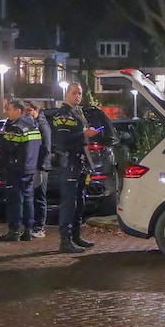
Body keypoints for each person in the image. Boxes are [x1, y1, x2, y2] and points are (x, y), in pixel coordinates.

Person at [51, 82, 102, 253]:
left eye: (80, 93)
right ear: (67, 94)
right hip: (69, 162)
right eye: (74, 93)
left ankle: (75, 236)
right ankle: (65, 240)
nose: (77, 96)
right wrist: (83, 134)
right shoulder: (63, 114)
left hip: (80, 161)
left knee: (79, 200)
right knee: (69, 202)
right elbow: (63, 140)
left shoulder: (77, 113)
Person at [0, 100, 41, 242]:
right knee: (28, 199)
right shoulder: (33, 125)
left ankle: (13, 230)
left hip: (15, 169)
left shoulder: (15, 128)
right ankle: (28, 229)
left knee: (15, 200)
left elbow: (9, 148)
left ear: (18, 111)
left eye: (9, 109)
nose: (7, 112)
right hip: (29, 167)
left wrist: (1, 137)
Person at [25, 101, 51, 238]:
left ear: (35, 110)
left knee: (39, 196)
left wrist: (41, 167)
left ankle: (40, 226)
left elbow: (46, 147)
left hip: (39, 167)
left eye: (28, 110)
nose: (26, 113)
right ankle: (33, 224)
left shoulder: (42, 125)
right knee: (32, 196)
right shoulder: (32, 123)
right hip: (32, 165)